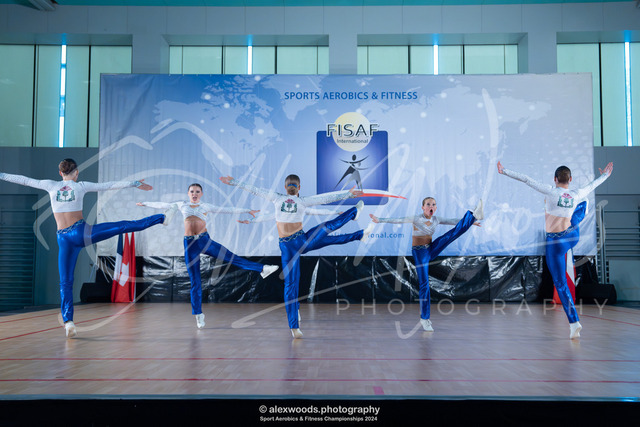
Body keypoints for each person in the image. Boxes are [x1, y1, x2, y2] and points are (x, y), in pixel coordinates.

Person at [0, 159, 175, 338]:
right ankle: (162, 219)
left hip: (63, 239)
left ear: (60, 173)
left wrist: (1, 174)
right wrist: (134, 183)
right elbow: (108, 185)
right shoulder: (81, 186)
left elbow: (24, 180)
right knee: (122, 226)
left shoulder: (50, 185)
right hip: (82, 233)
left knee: (65, 282)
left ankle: (69, 322)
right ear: (76, 172)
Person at [220, 174, 374, 339]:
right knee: (293, 281)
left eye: (292, 185)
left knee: (325, 234)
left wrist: (347, 195)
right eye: (292, 185)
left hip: (298, 242)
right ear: (293, 187)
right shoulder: (288, 199)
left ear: (291, 187)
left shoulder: (290, 200)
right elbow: (256, 190)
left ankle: (358, 226)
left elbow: (323, 199)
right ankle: (356, 222)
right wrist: (235, 182)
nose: (292, 187)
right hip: (294, 246)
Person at [137, 183, 279, 329]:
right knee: (195, 281)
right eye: (192, 191)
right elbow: (163, 205)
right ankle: (198, 314)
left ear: (201, 194)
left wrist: (247, 210)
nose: (194, 194)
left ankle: (262, 268)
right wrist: (145, 203)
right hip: (190, 244)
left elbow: (227, 210)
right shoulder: (181, 204)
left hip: (204, 241)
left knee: (231, 257)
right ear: (188, 193)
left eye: (197, 191)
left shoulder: (205, 206)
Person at [497, 161, 613, 339]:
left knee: (560, 283)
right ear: (570, 179)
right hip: (572, 235)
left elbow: (526, 179)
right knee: (583, 201)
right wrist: (605, 175)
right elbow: (593, 185)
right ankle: (580, 214)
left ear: (555, 179)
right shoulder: (576, 193)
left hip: (556, 242)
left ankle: (574, 323)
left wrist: (504, 171)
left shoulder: (551, 191)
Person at [369, 198, 483, 331]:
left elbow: (453, 221)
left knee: (451, 235)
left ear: (436, 208)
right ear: (423, 207)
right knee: (424, 284)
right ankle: (424, 319)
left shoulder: (436, 219)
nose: (431, 206)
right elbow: (398, 220)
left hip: (431, 248)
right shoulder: (416, 218)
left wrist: (471, 223)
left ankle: (472, 215)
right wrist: (379, 220)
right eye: (428, 204)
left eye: (433, 204)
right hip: (420, 252)